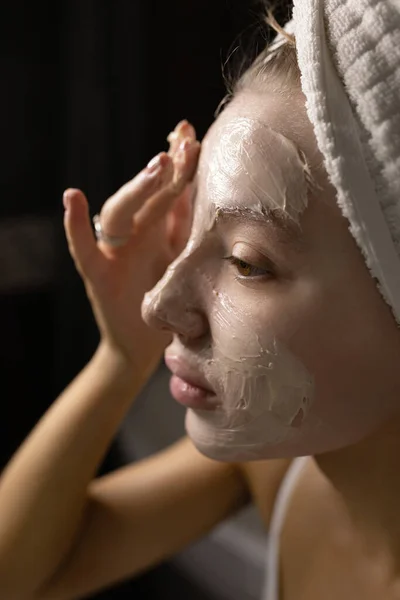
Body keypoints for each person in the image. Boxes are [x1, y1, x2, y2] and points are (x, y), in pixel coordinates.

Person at [1, 1, 400, 598]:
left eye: (246, 262)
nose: (157, 306)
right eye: (192, 229)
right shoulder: (279, 470)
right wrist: (120, 358)